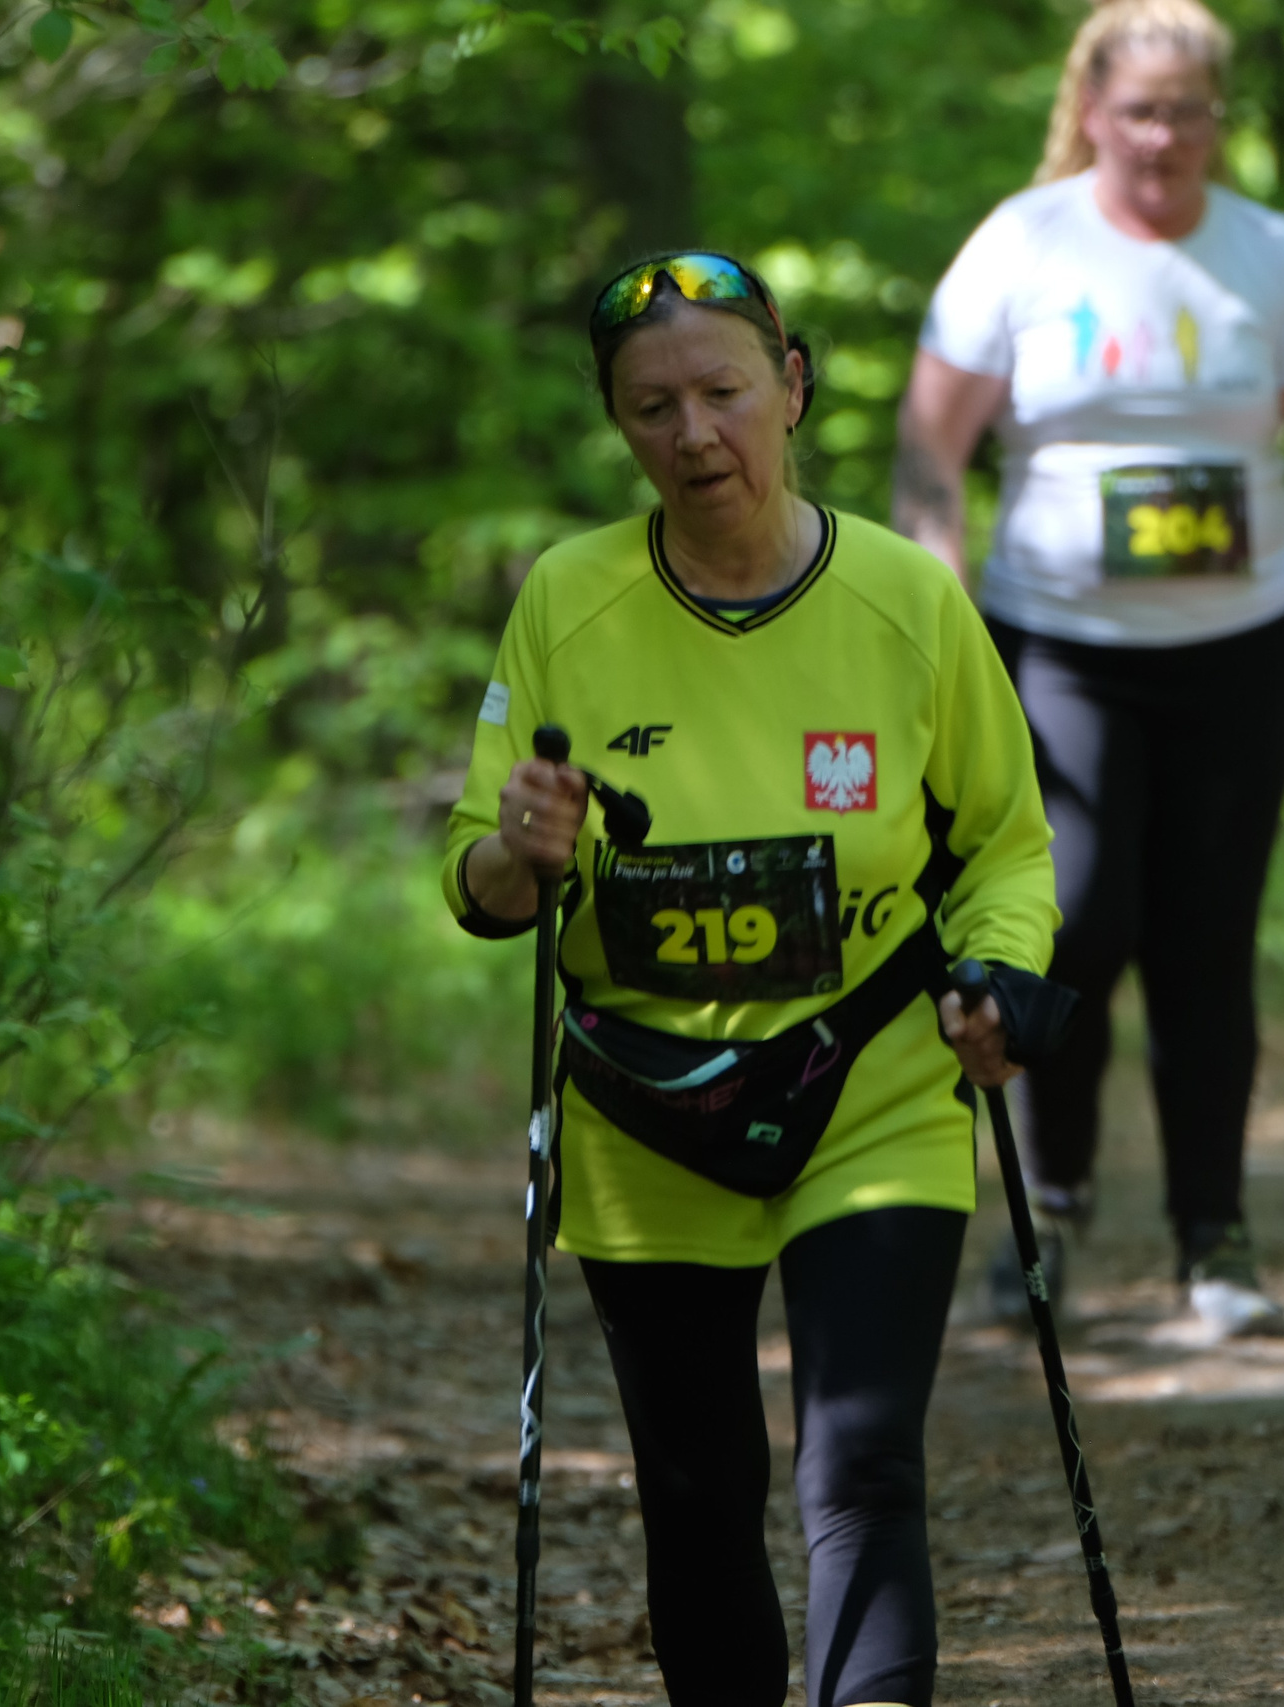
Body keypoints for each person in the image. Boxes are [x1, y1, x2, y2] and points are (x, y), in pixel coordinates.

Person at [442, 251, 1059, 1707]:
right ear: (618, 424)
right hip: (645, 1110)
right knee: (701, 1492)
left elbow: (1009, 849)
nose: (694, 435)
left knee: (861, 1465)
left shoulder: (908, 602)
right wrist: (517, 858)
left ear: (791, 388)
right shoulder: (567, 601)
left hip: (876, 1088)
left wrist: (997, 978)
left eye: (724, 391)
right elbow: (480, 875)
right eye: (652, 408)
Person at [892, 0, 1284, 1336]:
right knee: (1074, 919)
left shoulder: (1268, 255)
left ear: (1218, 120)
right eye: (1142, 110)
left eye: (1190, 112)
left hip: (1237, 654)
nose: (1165, 136)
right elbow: (930, 443)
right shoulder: (1024, 240)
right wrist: (932, 577)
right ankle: (1048, 1208)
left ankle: (1214, 1241)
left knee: (1206, 942)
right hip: (1056, 647)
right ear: (1095, 110)